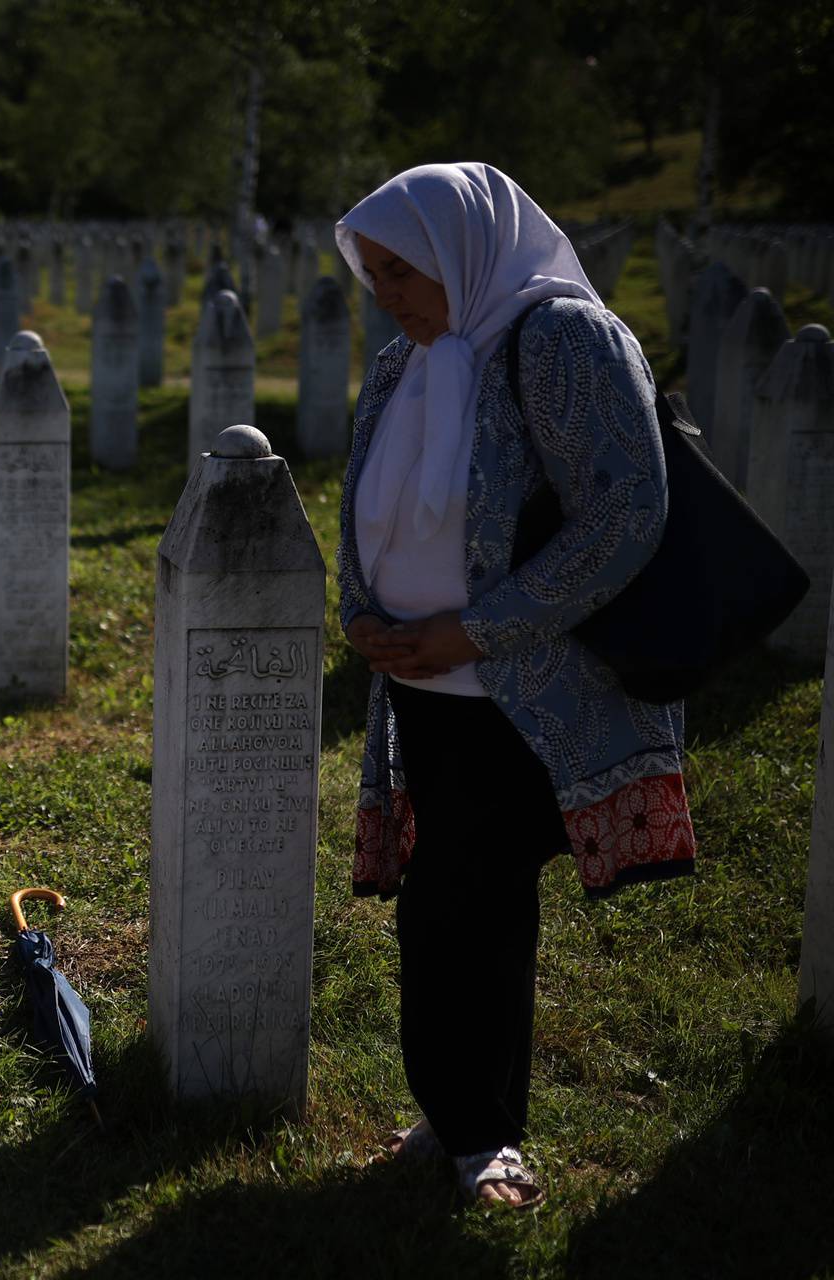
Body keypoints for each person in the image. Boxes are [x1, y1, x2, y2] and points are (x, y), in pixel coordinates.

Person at [334, 164, 697, 1209]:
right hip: (425, 686)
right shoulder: (406, 357)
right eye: (377, 276)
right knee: (464, 901)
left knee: (463, 900)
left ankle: (480, 1132)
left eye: (405, 272)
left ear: (465, 249)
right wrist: (365, 607)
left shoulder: (563, 341)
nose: (389, 296)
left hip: (523, 689)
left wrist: (476, 628)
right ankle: (462, 1116)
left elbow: (628, 513)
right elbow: (370, 494)